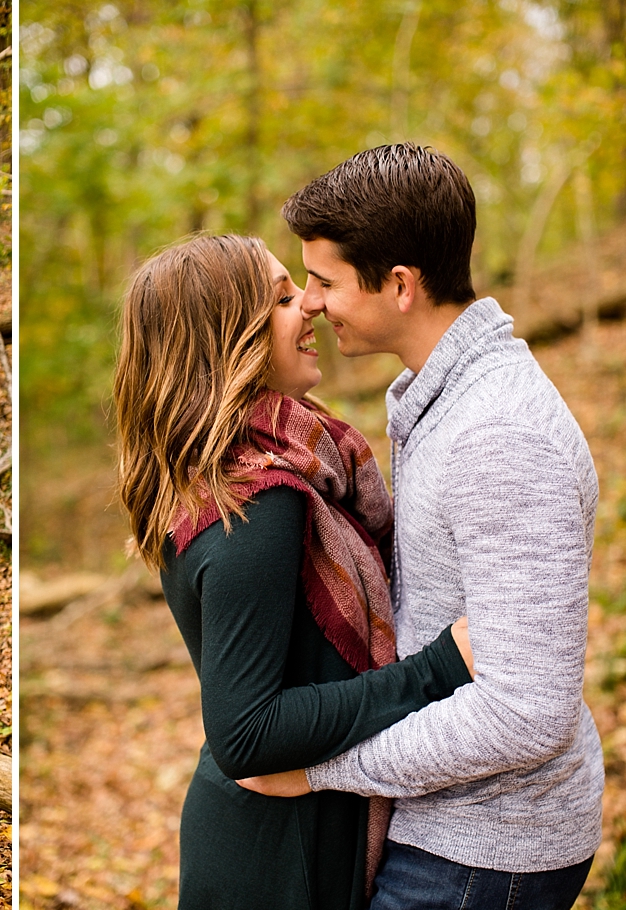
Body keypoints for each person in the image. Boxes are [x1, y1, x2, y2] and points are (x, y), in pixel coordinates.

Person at [239, 144, 603, 910]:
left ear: (399, 285)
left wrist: (317, 767)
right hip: (444, 821)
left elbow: (523, 712)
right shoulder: (441, 401)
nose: (309, 303)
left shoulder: (498, 434)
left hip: (485, 848)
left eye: (325, 281)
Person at [113, 233, 475, 910]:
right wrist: (439, 669)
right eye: (282, 298)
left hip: (284, 835)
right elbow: (244, 732)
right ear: (229, 339)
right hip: (279, 858)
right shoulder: (262, 500)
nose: (309, 305)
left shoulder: (228, 473)